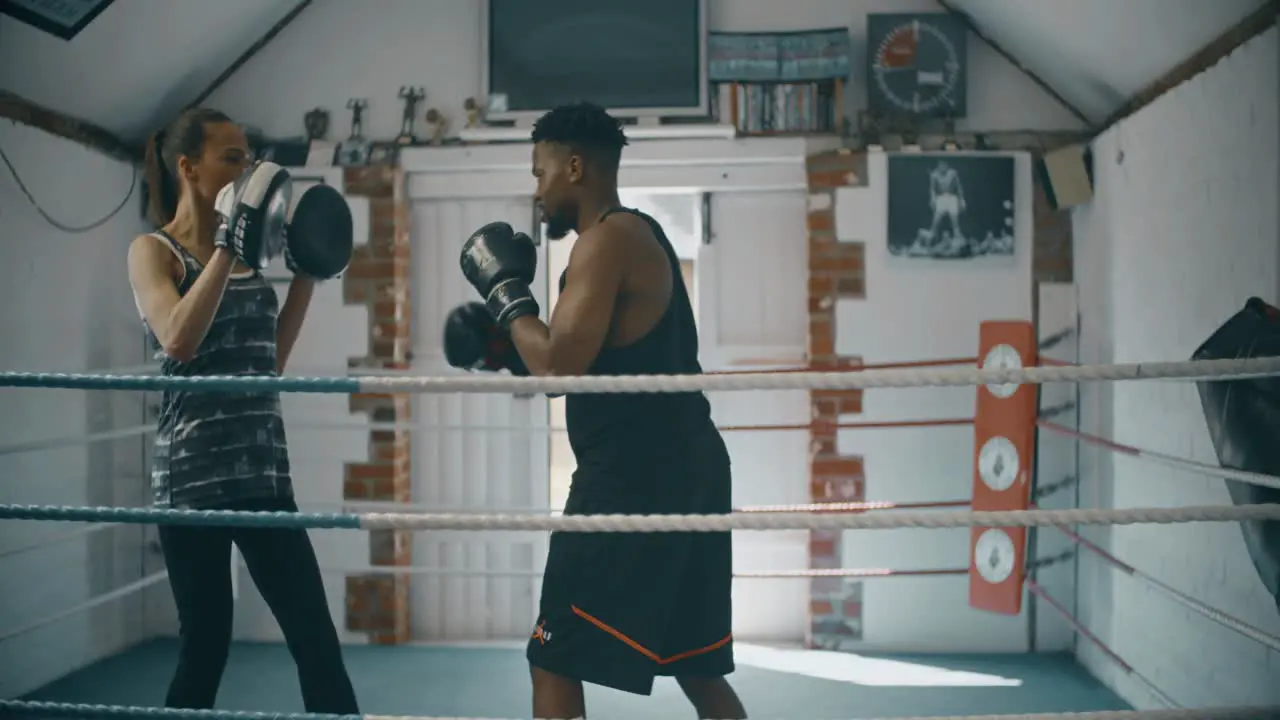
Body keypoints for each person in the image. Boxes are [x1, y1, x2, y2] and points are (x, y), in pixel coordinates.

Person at [448, 102, 747, 719]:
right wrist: (509, 348)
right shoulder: (632, 235)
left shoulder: (607, 240)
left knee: (552, 654)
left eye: (541, 173)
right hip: (684, 469)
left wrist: (507, 297)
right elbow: (574, 363)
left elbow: (559, 366)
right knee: (697, 665)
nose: (538, 191)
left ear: (575, 166)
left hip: (635, 479)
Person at [127, 107, 359, 713]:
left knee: (315, 638)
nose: (248, 169)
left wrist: (308, 275)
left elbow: (267, 363)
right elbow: (177, 338)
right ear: (188, 167)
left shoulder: (249, 254)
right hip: (192, 481)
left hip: (263, 475)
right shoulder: (154, 252)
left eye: (248, 157)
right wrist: (228, 248)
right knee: (206, 647)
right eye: (232, 157)